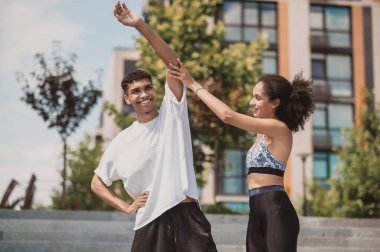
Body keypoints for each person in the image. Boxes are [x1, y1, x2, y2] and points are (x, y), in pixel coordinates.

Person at [90, 2, 217, 252]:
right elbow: (97, 182)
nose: (144, 94)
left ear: (155, 90)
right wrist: (125, 206)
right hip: (149, 223)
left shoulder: (173, 114)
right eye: (135, 91)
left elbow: (174, 64)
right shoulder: (122, 140)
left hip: (186, 217)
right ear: (127, 99)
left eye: (148, 87)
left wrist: (139, 26)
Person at [168, 59, 314, 252]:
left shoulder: (279, 129)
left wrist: (192, 83)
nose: (251, 102)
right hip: (256, 209)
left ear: (275, 103)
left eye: (258, 97)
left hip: (276, 210)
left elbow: (228, 116)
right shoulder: (261, 132)